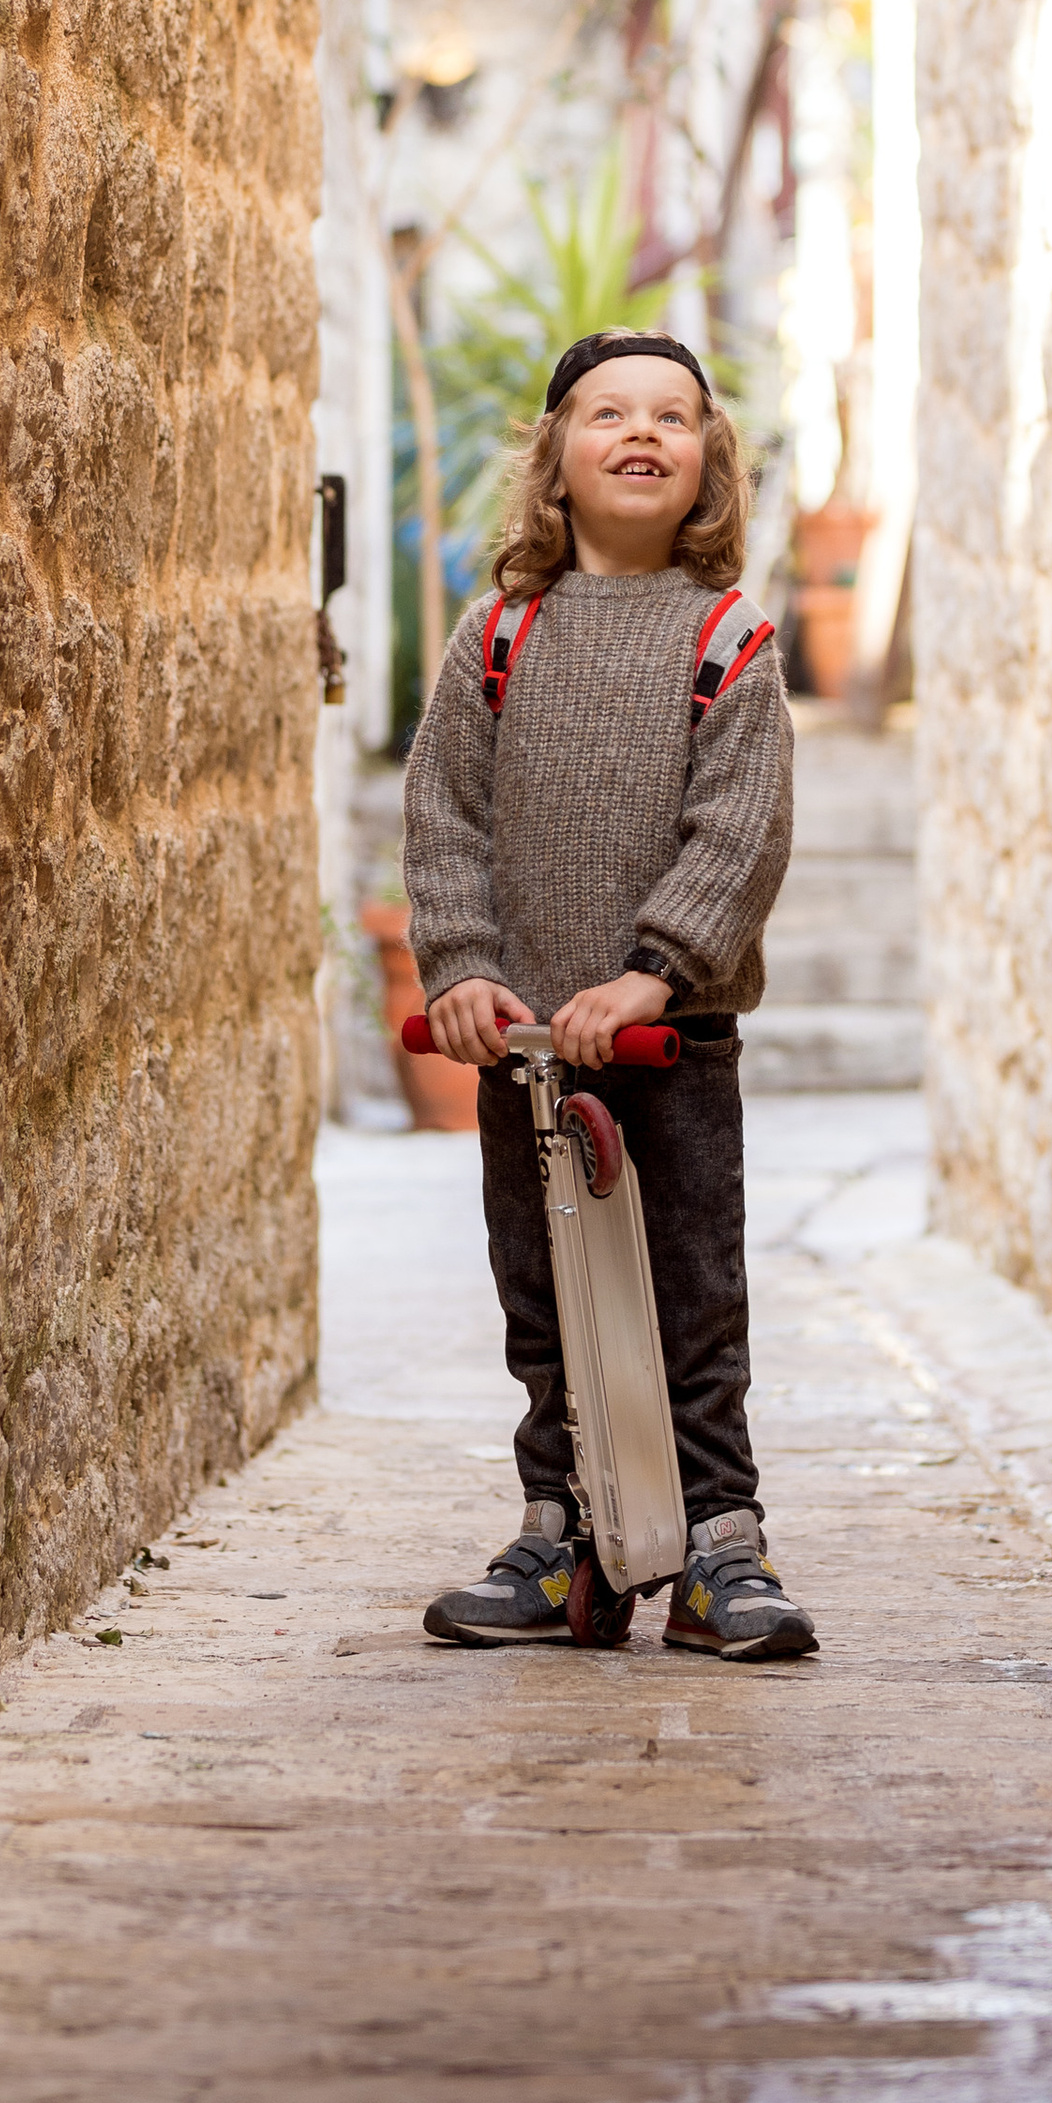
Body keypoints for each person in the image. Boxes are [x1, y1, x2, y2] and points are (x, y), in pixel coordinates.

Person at [402, 327, 816, 1661]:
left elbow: (738, 832)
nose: (642, 434)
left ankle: (717, 1547)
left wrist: (653, 974)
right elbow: (443, 817)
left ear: (708, 466)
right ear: (555, 464)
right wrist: (461, 967)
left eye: (673, 419)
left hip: (670, 1049)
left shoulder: (729, 643)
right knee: (546, 1299)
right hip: (526, 1056)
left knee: (690, 1296)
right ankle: (567, 1541)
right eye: (606, 415)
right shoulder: (499, 640)